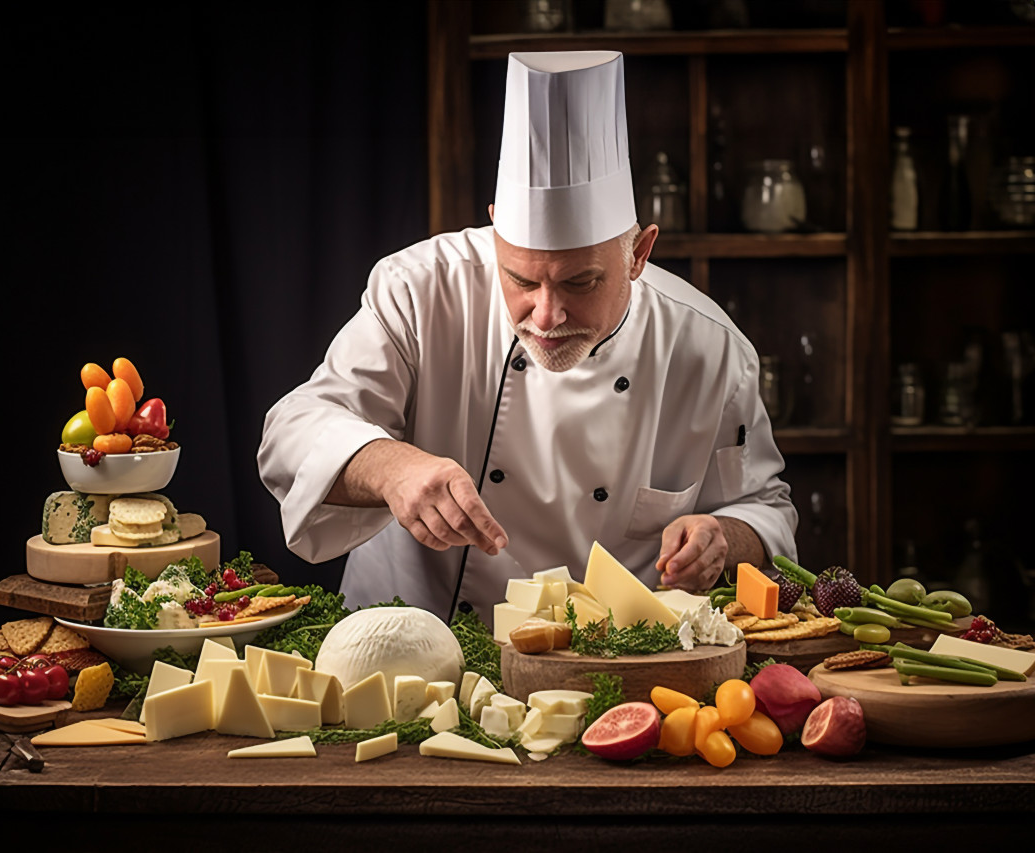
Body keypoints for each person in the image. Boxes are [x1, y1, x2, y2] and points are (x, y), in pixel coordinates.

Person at [258, 51, 797, 626]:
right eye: (520, 279)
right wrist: (393, 468)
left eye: (581, 281)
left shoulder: (709, 350)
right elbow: (291, 434)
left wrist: (724, 538)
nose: (546, 315)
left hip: (606, 666)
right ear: (494, 232)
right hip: (411, 651)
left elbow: (765, 509)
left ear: (639, 254)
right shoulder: (418, 289)